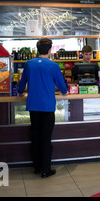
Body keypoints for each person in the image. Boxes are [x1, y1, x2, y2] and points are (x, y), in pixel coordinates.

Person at [18, 37, 68, 178]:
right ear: (50, 49)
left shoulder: (29, 64)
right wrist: (65, 91)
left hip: (33, 105)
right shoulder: (53, 66)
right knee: (46, 138)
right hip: (47, 106)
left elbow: (22, 84)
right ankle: (46, 170)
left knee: (35, 136)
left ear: (37, 49)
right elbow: (62, 87)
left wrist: (20, 92)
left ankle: (36, 167)